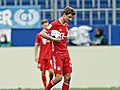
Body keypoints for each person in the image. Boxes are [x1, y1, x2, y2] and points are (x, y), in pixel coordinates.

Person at [40, 6, 76, 90]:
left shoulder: (66, 26)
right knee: (58, 78)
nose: (70, 19)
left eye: (72, 17)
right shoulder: (54, 24)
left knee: (68, 77)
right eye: (69, 17)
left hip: (66, 54)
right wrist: (53, 39)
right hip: (57, 54)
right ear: (64, 14)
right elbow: (42, 33)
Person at [34, 19, 54, 89]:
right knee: (43, 72)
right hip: (42, 56)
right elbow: (36, 45)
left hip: (50, 56)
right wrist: (36, 56)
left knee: (51, 72)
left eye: (47, 25)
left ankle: (50, 85)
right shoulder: (39, 35)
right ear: (42, 26)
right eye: (45, 25)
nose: (46, 27)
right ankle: (45, 87)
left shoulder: (51, 34)